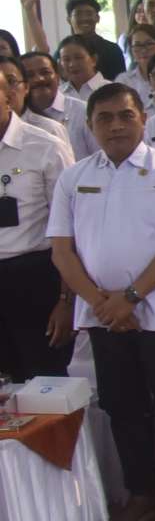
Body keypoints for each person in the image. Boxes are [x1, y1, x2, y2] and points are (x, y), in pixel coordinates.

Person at [48, 84, 155, 521]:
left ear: (143, 119)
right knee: (122, 404)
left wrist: (130, 297)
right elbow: (62, 251)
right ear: (90, 125)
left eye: (125, 115)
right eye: (104, 118)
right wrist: (102, 303)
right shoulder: (74, 178)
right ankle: (142, 493)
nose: (115, 125)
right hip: (102, 314)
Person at [0, 60, 73, 381]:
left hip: (34, 278)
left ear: (9, 95)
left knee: (44, 383)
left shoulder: (44, 146)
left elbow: (71, 229)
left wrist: (66, 300)